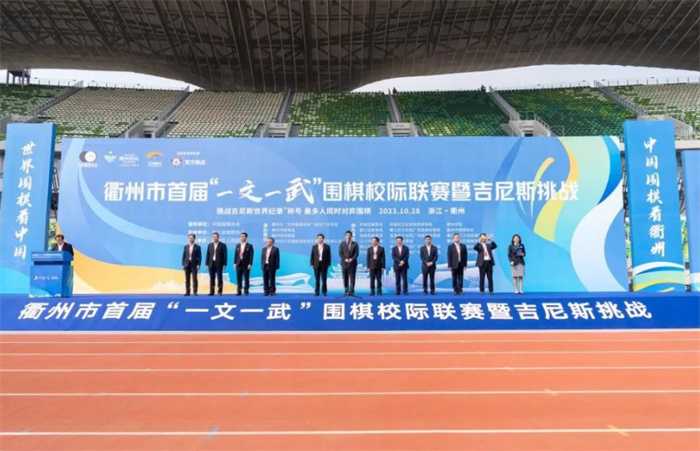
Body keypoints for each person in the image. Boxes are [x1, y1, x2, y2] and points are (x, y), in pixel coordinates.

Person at [338, 230, 359, 295]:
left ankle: (351, 290)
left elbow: (356, 254)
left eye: (349, 235)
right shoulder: (342, 244)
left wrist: (351, 259)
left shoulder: (355, 244)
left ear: (351, 236)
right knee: (345, 277)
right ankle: (346, 290)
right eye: (347, 235)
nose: (348, 236)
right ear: (345, 236)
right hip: (344, 263)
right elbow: (340, 253)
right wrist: (345, 259)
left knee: (352, 277)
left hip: (352, 263)